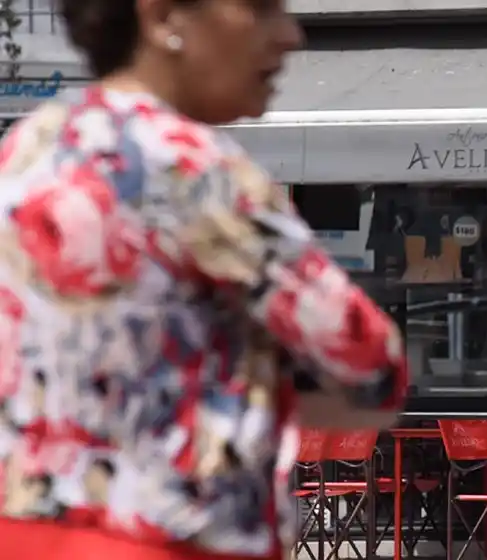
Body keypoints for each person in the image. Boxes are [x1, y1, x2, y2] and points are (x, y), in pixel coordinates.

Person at [0, 1, 409, 559]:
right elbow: (370, 364)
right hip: (169, 539)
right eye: (261, 8)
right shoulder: (192, 166)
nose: (290, 35)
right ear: (165, 16)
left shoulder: (24, 152)